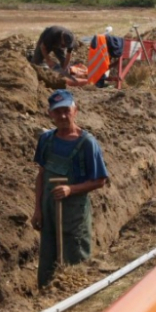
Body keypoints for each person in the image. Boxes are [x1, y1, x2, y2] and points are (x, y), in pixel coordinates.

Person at [32, 89, 109, 287]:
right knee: (48, 255)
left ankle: (72, 295)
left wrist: (70, 190)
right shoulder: (46, 140)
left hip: (74, 215)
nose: (63, 116)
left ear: (75, 111)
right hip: (49, 210)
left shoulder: (87, 144)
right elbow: (41, 175)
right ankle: (46, 297)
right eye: (58, 112)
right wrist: (38, 210)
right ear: (51, 114)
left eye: (67, 110)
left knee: (75, 260)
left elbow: (100, 180)